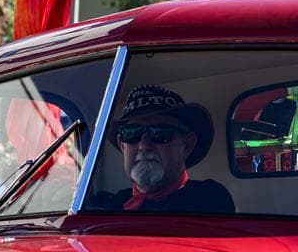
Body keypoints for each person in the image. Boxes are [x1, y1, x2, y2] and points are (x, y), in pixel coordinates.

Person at [96, 85, 233, 214]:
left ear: (187, 145)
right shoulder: (109, 206)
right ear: (122, 145)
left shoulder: (210, 199)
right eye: (132, 133)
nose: (144, 146)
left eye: (160, 133)